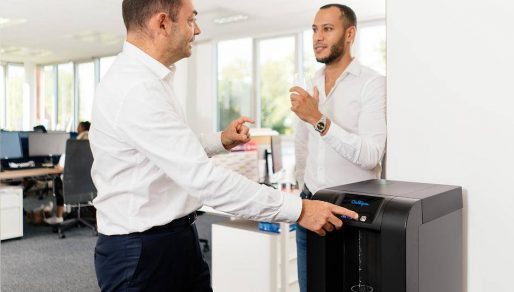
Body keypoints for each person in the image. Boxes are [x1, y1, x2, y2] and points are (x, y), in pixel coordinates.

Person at [90, 0, 359, 291]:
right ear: (163, 23)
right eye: (191, 19)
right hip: (141, 254)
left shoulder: (150, 81)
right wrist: (300, 210)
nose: (198, 29)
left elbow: (171, 149)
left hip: (174, 240)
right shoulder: (136, 88)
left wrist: (220, 140)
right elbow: (203, 179)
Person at [290, 4, 387, 292]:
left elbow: (372, 155)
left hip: (351, 213)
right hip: (309, 205)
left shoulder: (372, 84)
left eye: (328, 29)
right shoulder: (312, 83)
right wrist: (301, 187)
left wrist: (318, 119)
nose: (318, 37)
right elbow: (301, 144)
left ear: (349, 34)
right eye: (315, 29)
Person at [44, 121, 91, 225]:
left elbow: (59, 169)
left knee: (57, 179)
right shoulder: (94, 152)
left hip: (70, 188)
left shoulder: (70, 151)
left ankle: (59, 216)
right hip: (89, 189)